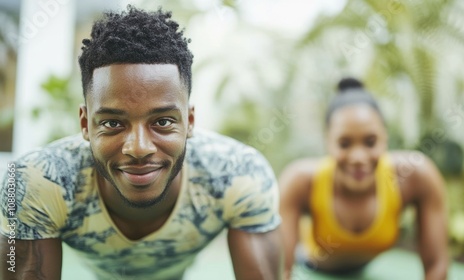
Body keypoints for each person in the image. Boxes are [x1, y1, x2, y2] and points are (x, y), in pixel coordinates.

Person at [0, 6, 282, 280]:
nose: (138, 148)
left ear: (190, 122)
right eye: (112, 123)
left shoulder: (239, 174)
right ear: (86, 124)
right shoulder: (34, 181)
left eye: (162, 122)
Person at [280, 78, 448, 280]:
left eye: (370, 142)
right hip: (313, 266)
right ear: (328, 143)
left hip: (364, 267)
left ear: (385, 138)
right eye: (344, 144)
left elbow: (437, 266)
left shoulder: (417, 176)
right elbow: (282, 272)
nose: (358, 158)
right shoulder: (300, 181)